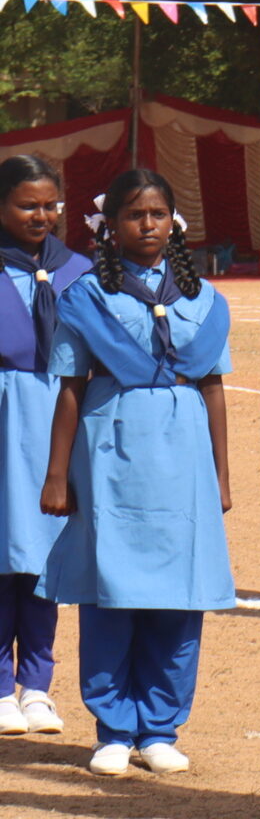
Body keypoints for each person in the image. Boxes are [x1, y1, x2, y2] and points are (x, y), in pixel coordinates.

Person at [39, 169, 234, 777]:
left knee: (180, 592)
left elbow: (213, 388)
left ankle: (160, 727)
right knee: (110, 590)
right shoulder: (87, 297)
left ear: (174, 221)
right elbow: (70, 389)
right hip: (110, 451)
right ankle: (114, 728)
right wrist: (56, 474)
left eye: (157, 214)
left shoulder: (205, 299)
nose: (147, 225)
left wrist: (222, 475)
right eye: (133, 215)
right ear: (111, 226)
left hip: (184, 455)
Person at [0, 155, 86, 737]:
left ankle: (37, 686)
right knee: (3, 554)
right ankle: (0, 687)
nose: (41, 215)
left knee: (44, 558)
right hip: (6, 419)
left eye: (50, 204)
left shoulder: (78, 270)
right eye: (27, 205)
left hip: (58, 419)